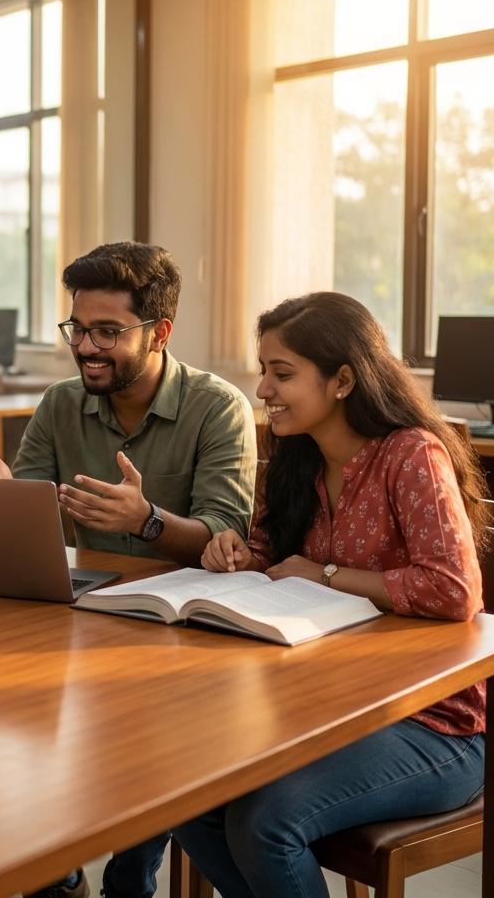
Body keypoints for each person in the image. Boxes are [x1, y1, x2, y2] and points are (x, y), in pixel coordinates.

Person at [171, 291, 488, 898]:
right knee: (182, 792)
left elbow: (453, 591)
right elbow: (270, 555)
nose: (262, 389)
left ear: (342, 380)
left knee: (266, 821)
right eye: (262, 370)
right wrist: (235, 552)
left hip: (434, 725)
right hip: (323, 709)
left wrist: (326, 575)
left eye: (281, 373)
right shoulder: (291, 456)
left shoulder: (411, 453)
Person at [0, 241, 257, 898]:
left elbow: (226, 535)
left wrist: (146, 520)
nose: (87, 347)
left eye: (108, 332)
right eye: (78, 329)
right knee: (1, 714)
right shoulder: (61, 405)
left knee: (140, 729)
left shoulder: (219, 408)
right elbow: (28, 513)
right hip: (86, 621)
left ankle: (125, 877)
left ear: (159, 333)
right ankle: (50, 867)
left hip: (186, 640)